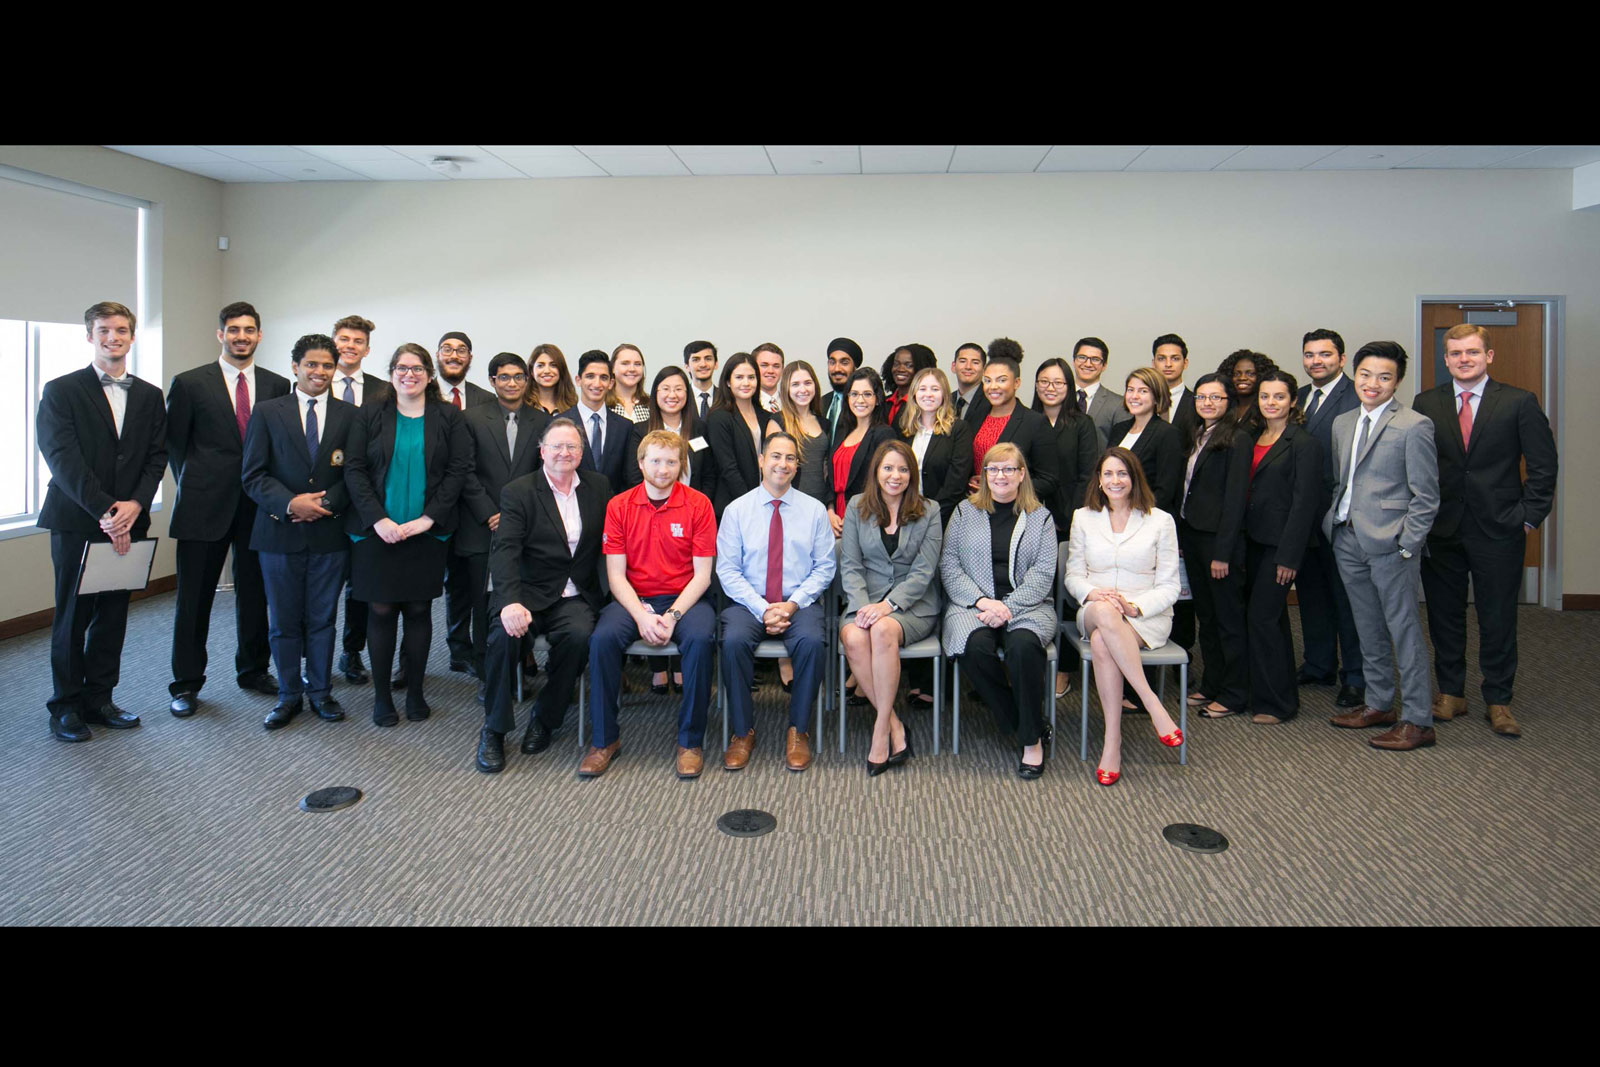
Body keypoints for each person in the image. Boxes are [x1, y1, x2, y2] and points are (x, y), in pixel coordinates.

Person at [1414, 323, 1557, 738]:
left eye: (1472, 352)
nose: (1464, 359)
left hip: (1499, 529)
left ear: (1488, 356)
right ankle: (1451, 693)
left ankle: (1499, 699)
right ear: (1445, 359)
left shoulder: (1518, 402)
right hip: (1441, 528)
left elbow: (1544, 466)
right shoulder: (1427, 403)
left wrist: (1528, 516)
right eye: (1456, 353)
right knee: (1444, 615)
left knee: (1497, 617)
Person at [38, 301, 167, 742]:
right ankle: (65, 707)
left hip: (131, 520)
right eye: (104, 330)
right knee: (73, 616)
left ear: (132, 336)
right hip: (79, 520)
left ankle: (100, 698)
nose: (114, 337)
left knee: (113, 614)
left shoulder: (150, 395)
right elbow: (62, 459)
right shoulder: (61, 390)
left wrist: (135, 504)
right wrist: (106, 511)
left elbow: (157, 456)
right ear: (89, 335)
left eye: (122, 330)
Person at [165, 300, 289, 718]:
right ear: (220, 334)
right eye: (233, 330)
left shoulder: (275, 385)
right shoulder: (189, 383)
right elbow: (175, 447)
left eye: (249, 330)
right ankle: (185, 683)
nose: (241, 337)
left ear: (259, 335)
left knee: (256, 594)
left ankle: (253, 670)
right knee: (194, 599)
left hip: (257, 507)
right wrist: (199, 483)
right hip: (203, 505)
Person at [343, 344, 473, 727]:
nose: (409, 374)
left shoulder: (449, 416)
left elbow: (458, 471)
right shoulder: (369, 413)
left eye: (417, 368)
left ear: (430, 375)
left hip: (426, 533)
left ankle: (415, 691)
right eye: (401, 367)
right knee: (381, 611)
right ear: (391, 373)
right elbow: (354, 469)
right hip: (375, 532)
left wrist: (431, 518)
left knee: (418, 610)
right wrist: (378, 519)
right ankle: (382, 696)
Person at [579, 431, 718, 779]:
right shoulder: (619, 505)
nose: (663, 468)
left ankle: (690, 741)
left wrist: (672, 616)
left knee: (701, 641)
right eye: (655, 460)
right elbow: (615, 575)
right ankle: (603, 740)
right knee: (601, 640)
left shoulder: (699, 504)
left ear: (680, 465)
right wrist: (641, 615)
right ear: (641, 463)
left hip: (686, 599)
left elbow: (702, 576)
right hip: (633, 599)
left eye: (671, 461)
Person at [474, 418, 609, 771]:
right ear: (542, 451)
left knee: (580, 638)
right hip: (527, 593)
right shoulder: (519, 491)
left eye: (572, 447)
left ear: (581, 453)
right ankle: (494, 729)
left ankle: (545, 719)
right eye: (557, 446)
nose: (564, 453)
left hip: (575, 594)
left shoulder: (598, 487)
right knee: (504, 639)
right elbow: (504, 551)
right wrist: (508, 602)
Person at [1325, 342, 1440, 751]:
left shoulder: (1413, 425)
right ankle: (1378, 704)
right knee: (1366, 626)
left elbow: (1426, 496)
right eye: (1366, 374)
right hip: (1348, 537)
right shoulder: (1342, 422)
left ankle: (1417, 720)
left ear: (1397, 381)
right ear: (1354, 374)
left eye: (1384, 377)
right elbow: (1345, 482)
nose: (1372, 384)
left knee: (1404, 629)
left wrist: (1408, 544)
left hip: (1392, 545)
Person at [240, 333, 358, 729]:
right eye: (312, 364)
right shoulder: (268, 411)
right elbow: (253, 475)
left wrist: (325, 504)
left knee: (323, 618)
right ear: (296, 367)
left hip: (330, 534)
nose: (320, 372)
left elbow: (358, 475)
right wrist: (293, 503)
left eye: (327, 365)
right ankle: (289, 694)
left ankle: (321, 692)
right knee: (284, 620)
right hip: (278, 533)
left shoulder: (350, 416)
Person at [717, 432, 836, 772]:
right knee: (733, 641)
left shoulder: (813, 511)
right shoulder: (737, 511)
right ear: (761, 460)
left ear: (797, 466)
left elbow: (825, 566)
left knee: (813, 642)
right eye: (776, 456)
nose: (782, 464)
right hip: (749, 602)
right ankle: (742, 731)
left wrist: (791, 604)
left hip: (799, 602)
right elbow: (727, 570)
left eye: (790, 459)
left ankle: (799, 730)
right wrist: (762, 608)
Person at [1065, 448, 1183, 786]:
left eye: (1122, 474)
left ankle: (1112, 742)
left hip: (1146, 615)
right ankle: (1151, 701)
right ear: (1099, 481)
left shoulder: (1160, 520)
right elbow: (1073, 575)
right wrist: (1093, 594)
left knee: (1103, 642)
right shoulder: (1083, 517)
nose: (1115, 481)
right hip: (1094, 607)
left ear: (1134, 478)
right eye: (1108, 474)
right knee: (1103, 614)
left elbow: (1170, 585)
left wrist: (1135, 607)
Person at [942, 442, 1059, 778]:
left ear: (1022, 475)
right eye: (993, 469)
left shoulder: (1041, 518)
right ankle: (1027, 724)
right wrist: (982, 602)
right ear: (984, 476)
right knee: (973, 648)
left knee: (1023, 647)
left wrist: (1007, 607)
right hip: (973, 604)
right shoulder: (965, 512)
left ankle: (1030, 743)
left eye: (1009, 468)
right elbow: (949, 565)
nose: (1001, 475)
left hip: (1027, 605)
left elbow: (1042, 574)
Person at [1215, 369, 1324, 725]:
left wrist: (1290, 557)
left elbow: (1304, 504)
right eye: (1265, 397)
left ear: (1293, 401)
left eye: (1279, 397)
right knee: (1265, 620)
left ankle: (1278, 703)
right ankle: (1261, 694)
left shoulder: (1303, 444)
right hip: (1251, 543)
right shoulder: (1253, 436)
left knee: (1264, 619)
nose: (1271, 403)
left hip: (1281, 549)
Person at [839, 440, 943, 774]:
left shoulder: (930, 510)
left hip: (912, 607)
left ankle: (880, 732)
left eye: (902, 469)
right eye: (888, 468)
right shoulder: (856, 506)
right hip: (865, 601)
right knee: (853, 637)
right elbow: (851, 566)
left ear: (912, 474)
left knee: (883, 629)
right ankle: (895, 724)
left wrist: (888, 605)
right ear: (876, 472)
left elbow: (924, 571)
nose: (895, 476)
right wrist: (863, 606)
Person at [453, 352, 549, 697]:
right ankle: (487, 676)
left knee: (520, 597)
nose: (512, 383)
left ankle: (518, 666)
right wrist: (489, 511)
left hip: (527, 528)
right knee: (485, 603)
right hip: (482, 525)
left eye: (518, 377)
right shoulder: (471, 418)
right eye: (504, 377)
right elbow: (463, 470)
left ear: (527, 380)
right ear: (493, 381)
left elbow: (544, 474)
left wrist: (516, 515)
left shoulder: (541, 421)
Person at [626, 364, 712, 692]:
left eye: (678, 389)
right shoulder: (640, 429)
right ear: (655, 394)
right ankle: (658, 666)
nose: (672, 395)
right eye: (665, 389)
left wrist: (704, 512)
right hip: (649, 516)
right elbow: (633, 476)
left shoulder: (699, 428)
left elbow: (709, 474)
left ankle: (680, 664)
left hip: (693, 516)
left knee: (686, 582)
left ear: (686, 393)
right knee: (652, 584)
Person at [1294, 328, 1365, 707]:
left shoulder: (1357, 396)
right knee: (1312, 594)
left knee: (1347, 600)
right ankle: (1319, 663)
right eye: (1309, 354)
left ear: (1341, 358)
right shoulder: (1301, 398)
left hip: (1341, 517)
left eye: (1324, 354)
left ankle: (1355, 676)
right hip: (1305, 516)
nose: (1315, 361)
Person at [1179, 374, 1250, 719]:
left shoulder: (1237, 438)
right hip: (1193, 536)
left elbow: (1236, 499)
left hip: (1219, 543)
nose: (1207, 403)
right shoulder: (1197, 435)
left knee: (1228, 618)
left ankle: (1236, 692)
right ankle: (1212, 683)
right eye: (1202, 397)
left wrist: (1223, 552)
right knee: (1205, 615)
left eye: (1216, 398)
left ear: (1228, 402)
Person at [1031, 356, 1100, 699]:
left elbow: (1088, 475)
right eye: (1044, 381)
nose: (1050, 388)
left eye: (1058, 382)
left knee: (1067, 598)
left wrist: (1070, 519)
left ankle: (1064, 669)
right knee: (1033, 594)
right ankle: (1033, 662)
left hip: (1068, 522)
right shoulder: (1028, 421)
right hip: (1029, 521)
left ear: (1070, 387)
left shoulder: (1081, 424)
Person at [330, 314, 386, 685]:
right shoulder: (310, 380)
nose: (349, 346)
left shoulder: (384, 391)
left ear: (367, 349)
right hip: (322, 501)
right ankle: (311, 656)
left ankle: (352, 653)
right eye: (343, 339)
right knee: (322, 585)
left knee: (360, 587)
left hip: (366, 502)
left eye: (357, 341)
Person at [966, 349, 1060, 507]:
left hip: (1017, 509)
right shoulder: (975, 417)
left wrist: (1004, 489)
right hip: (977, 506)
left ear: (1017, 383)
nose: (993, 387)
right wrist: (971, 479)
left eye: (1001, 380)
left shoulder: (1035, 422)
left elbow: (1048, 480)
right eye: (987, 380)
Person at [705, 352, 778, 517]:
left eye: (751, 377)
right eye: (739, 377)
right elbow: (728, 468)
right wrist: (751, 503)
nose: (746, 383)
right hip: (734, 504)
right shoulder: (719, 417)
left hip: (765, 502)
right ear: (728, 382)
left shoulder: (766, 416)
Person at [899, 367, 974, 528]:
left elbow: (956, 481)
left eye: (935, 389)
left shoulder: (959, 429)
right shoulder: (904, 430)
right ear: (914, 393)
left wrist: (932, 516)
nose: (928, 394)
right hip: (905, 516)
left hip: (944, 517)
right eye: (922, 389)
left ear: (944, 395)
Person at [828, 368, 898, 537]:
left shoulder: (884, 434)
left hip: (867, 518)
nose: (860, 400)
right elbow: (829, 478)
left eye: (867, 394)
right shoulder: (842, 431)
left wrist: (853, 517)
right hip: (834, 519)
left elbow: (885, 484)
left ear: (877, 399)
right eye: (854, 394)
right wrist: (830, 512)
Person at [1106, 367, 1185, 514]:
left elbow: (1165, 490)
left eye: (1143, 391)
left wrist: (1138, 515)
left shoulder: (1167, 433)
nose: (1134, 396)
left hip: (1147, 517)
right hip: (1114, 514)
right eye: (1130, 390)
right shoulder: (1119, 429)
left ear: (1157, 397)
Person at [564, 350, 631, 493]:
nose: (597, 383)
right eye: (590, 376)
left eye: (604, 378)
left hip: (613, 509)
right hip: (570, 508)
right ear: (578, 380)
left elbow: (628, 477)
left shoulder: (625, 427)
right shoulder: (559, 424)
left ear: (611, 383)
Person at [778, 360, 833, 508]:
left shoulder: (825, 423)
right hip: (789, 505)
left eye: (808, 383)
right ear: (786, 389)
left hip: (820, 505)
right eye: (795, 384)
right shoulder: (778, 422)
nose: (803, 389)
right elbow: (772, 473)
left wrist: (830, 507)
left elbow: (828, 471)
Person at [1072, 336, 1121, 447]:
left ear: (1104, 366)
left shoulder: (1118, 404)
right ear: (1074, 361)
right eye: (1082, 357)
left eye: (1095, 359)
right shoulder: (1059, 398)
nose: (1088, 364)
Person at [1216, 349, 1275, 427]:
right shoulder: (1224, 406)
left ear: (1261, 376)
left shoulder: (1267, 408)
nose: (1242, 378)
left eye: (1250, 374)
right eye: (1237, 374)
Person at [880, 343, 935, 426]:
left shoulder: (924, 405)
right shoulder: (883, 402)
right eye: (896, 364)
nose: (900, 369)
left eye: (909, 365)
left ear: (921, 369)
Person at [436, 331, 493, 411]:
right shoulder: (421, 393)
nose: (454, 356)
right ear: (438, 355)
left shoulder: (487, 400)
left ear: (470, 358)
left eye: (461, 351)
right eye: (447, 350)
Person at [1152, 333, 1196, 432]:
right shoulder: (1141, 400)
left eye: (1175, 359)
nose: (1168, 364)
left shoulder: (1196, 402)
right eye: (1161, 359)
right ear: (1153, 363)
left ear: (1185, 363)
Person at [823, 337, 863, 444]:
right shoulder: (821, 402)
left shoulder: (862, 404)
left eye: (844, 363)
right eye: (832, 362)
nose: (837, 369)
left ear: (855, 367)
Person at [528, 343, 578, 416]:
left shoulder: (573, 407)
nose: (547, 371)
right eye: (540, 366)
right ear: (532, 371)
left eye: (553, 365)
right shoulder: (522, 406)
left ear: (561, 370)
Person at [607, 343, 651, 423]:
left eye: (637, 364)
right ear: (612, 368)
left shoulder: (651, 405)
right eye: (625, 363)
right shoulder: (603, 404)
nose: (632, 369)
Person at [949, 342, 989, 423]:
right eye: (963, 361)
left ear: (984, 369)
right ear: (953, 366)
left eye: (975, 362)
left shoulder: (990, 401)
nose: (968, 367)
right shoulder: (945, 401)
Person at [683, 340, 719, 421]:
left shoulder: (725, 397)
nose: (703, 364)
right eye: (696, 360)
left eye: (708, 359)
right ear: (687, 366)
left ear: (716, 364)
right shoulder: (681, 398)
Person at [753, 342, 785, 414]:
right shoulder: (746, 405)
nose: (770, 371)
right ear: (753, 368)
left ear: (782, 370)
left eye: (776, 366)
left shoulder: (792, 403)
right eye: (764, 365)